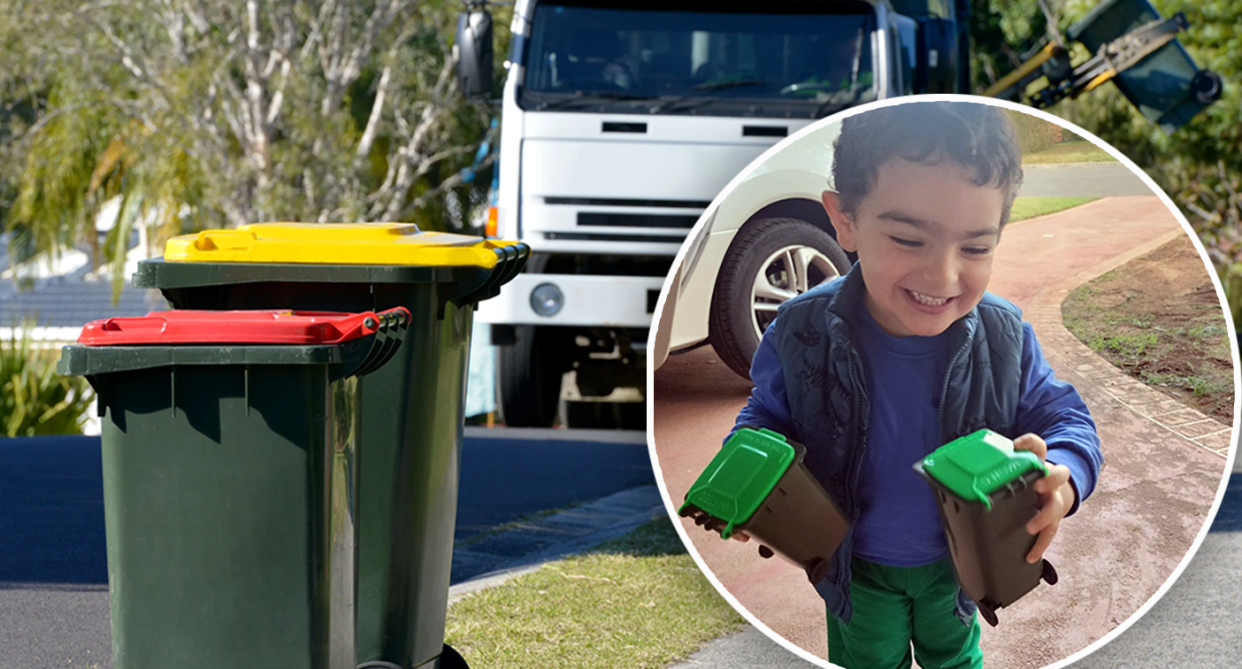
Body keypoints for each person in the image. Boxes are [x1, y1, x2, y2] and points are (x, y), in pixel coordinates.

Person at [727, 101, 1103, 669]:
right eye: (908, 239)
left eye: (975, 247)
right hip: (854, 567)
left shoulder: (1004, 335)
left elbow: (1066, 420)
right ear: (845, 219)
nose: (943, 276)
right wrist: (746, 472)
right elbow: (764, 416)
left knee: (953, 658)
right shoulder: (800, 331)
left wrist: (1066, 476)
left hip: (957, 568)